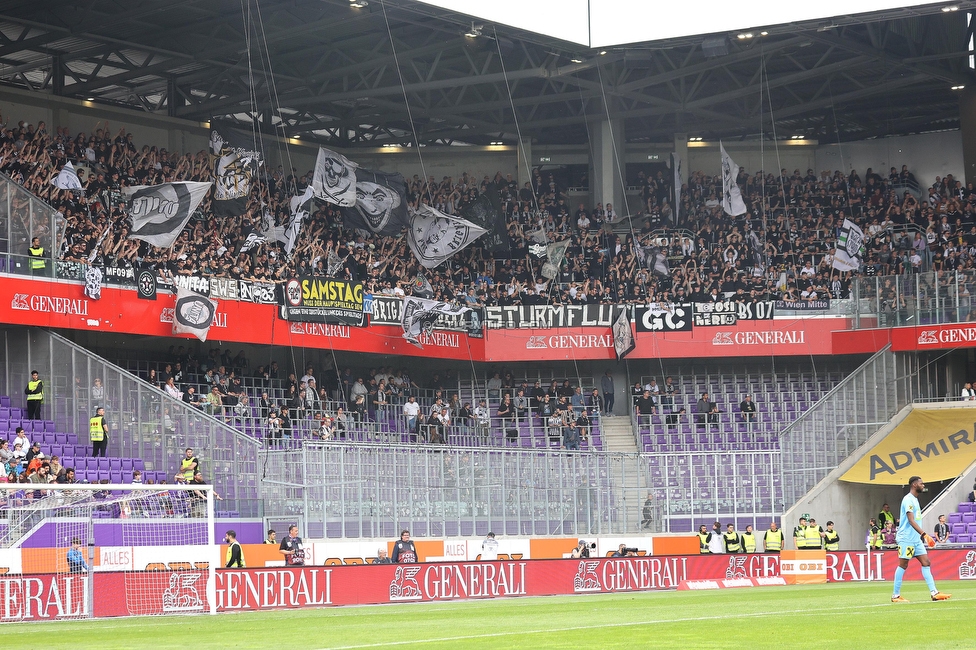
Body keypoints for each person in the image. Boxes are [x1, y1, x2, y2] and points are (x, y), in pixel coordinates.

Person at [891, 476, 951, 602]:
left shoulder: (915, 500)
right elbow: (911, 520)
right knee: (903, 564)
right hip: (906, 538)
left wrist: (921, 536)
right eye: (921, 483)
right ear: (914, 485)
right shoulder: (908, 500)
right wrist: (925, 534)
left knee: (926, 562)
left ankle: (934, 593)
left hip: (915, 539)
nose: (923, 485)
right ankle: (895, 595)